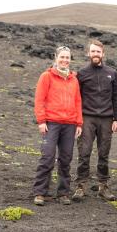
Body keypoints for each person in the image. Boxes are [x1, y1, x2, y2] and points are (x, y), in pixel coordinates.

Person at [33, 46, 83, 206]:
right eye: (62, 57)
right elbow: (39, 100)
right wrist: (41, 121)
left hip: (69, 124)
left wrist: (79, 123)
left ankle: (63, 193)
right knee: (47, 157)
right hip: (51, 123)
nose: (65, 60)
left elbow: (78, 102)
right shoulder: (46, 76)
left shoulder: (74, 79)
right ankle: (40, 192)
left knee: (66, 159)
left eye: (67, 58)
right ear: (56, 58)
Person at [72, 40, 117, 202]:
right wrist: (77, 120)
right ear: (88, 53)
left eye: (98, 52)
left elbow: (116, 97)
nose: (95, 54)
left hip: (107, 119)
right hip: (87, 117)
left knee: (104, 153)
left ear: (103, 54)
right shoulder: (82, 73)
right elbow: (76, 97)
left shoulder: (112, 73)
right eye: (93, 52)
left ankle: (103, 186)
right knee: (84, 152)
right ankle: (81, 185)